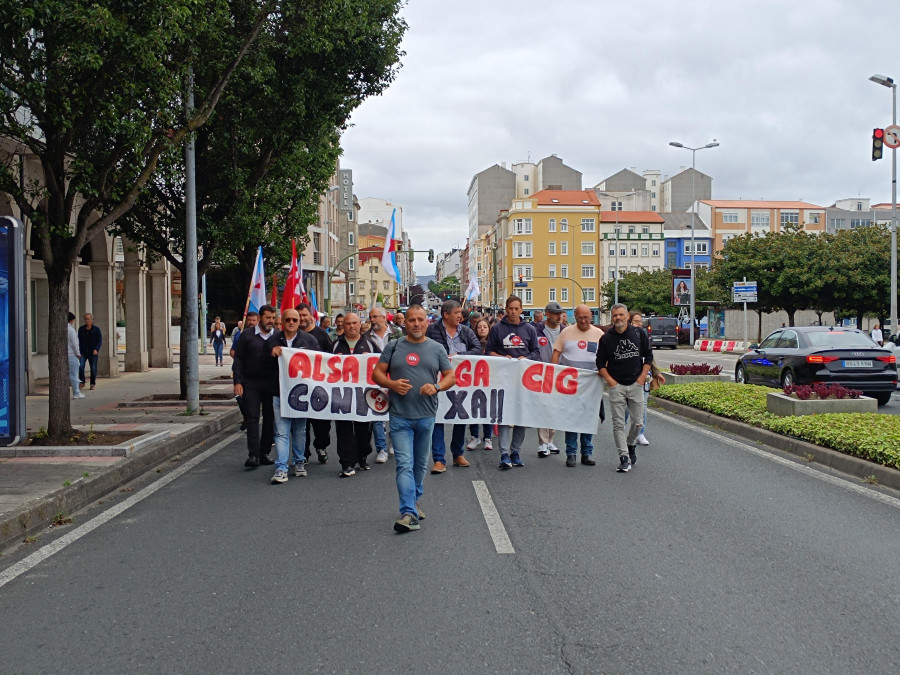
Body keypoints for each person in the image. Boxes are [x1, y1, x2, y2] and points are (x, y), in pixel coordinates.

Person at [373, 305, 455, 533]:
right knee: (404, 465)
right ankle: (408, 512)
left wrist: (436, 386)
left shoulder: (437, 349)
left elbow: (451, 377)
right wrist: (391, 384)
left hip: (426, 416)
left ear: (427, 322)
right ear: (405, 323)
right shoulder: (394, 346)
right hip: (399, 417)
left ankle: (415, 501)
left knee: (419, 465)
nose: (416, 324)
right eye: (412, 320)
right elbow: (377, 373)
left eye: (420, 319)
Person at [596, 303, 653, 473]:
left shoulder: (638, 333)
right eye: (615, 316)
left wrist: (642, 377)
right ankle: (623, 457)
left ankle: (630, 445)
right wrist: (610, 381)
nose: (618, 318)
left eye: (621, 315)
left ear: (627, 316)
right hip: (617, 385)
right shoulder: (606, 338)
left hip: (636, 384)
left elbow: (648, 356)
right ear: (612, 318)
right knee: (618, 424)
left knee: (637, 423)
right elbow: (599, 363)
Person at [427, 299, 483, 471]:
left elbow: (477, 349)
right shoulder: (431, 331)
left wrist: (459, 355)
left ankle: (458, 453)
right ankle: (438, 459)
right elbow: (424, 349)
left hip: (461, 383)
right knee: (438, 418)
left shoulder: (465, 331)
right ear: (446, 314)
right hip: (438, 382)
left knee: (460, 416)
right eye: (457, 312)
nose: (461, 315)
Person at [486, 295, 539, 469]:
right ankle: (504, 454)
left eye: (517, 309)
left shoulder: (530, 329)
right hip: (503, 380)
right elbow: (489, 352)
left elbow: (536, 353)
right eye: (511, 308)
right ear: (506, 309)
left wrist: (526, 357)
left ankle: (516, 451)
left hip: (523, 381)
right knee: (503, 416)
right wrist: (503, 358)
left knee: (521, 417)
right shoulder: (497, 329)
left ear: (521, 310)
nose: (514, 312)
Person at [267, 308, 319, 483]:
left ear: (299, 322)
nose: (291, 322)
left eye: (294, 320)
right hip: (279, 393)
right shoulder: (272, 340)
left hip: (302, 395)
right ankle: (281, 467)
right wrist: (271, 355)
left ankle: (299, 462)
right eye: (287, 319)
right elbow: (262, 364)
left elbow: (319, 364)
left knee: (299, 430)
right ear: (282, 322)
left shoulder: (309, 340)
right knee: (281, 432)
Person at [552, 304, 604, 466]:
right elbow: (556, 353)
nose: (583, 320)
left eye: (586, 317)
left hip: (592, 386)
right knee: (571, 419)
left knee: (588, 418)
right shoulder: (566, 332)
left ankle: (587, 453)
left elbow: (607, 356)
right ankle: (571, 453)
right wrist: (554, 374)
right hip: (570, 385)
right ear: (575, 316)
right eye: (580, 317)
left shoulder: (599, 334)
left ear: (591, 317)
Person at [332, 313, 380, 477]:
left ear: (360, 324)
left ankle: (362, 455)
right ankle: (347, 462)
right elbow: (322, 366)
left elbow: (382, 364)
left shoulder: (370, 345)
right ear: (342, 326)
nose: (351, 326)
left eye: (354, 323)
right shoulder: (335, 345)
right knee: (343, 429)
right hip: (342, 395)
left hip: (363, 396)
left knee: (364, 429)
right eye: (348, 324)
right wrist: (332, 361)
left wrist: (372, 360)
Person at [233, 304, 278, 468]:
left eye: (273, 318)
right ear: (260, 318)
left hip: (271, 383)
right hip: (250, 382)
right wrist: (237, 381)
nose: (271, 321)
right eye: (268, 318)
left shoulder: (278, 337)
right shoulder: (247, 336)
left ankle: (264, 452)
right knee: (251, 416)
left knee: (269, 418)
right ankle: (253, 454)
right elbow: (238, 359)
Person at [297, 303, 333, 464]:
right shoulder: (292, 335)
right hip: (298, 387)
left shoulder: (321, 335)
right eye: (299, 316)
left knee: (321, 423)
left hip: (319, 387)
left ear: (311, 316)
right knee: (301, 423)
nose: (302, 318)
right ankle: (303, 453)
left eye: (305, 315)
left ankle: (321, 446)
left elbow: (331, 359)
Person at [366, 307, 403, 463]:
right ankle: (381, 448)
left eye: (375, 317)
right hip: (375, 379)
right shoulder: (366, 337)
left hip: (394, 379)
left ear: (384, 317)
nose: (373, 320)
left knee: (394, 414)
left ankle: (393, 442)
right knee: (377, 415)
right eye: (370, 317)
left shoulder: (398, 333)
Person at [627, 311, 665, 447]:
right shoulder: (624, 335)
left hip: (644, 377)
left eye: (640, 321)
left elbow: (650, 356)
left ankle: (640, 433)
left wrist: (657, 372)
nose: (638, 324)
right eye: (635, 321)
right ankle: (624, 430)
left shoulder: (643, 336)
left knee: (642, 406)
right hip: (627, 377)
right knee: (626, 407)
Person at [535, 301, 566, 458]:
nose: (559, 316)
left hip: (560, 375)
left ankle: (551, 439)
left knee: (555, 409)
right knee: (543, 407)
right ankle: (542, 442)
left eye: (560, 313)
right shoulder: (537, 330)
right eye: (556, 313)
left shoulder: (565, 331)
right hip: (542, 373)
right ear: (547, 314)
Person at [466, 318, 494, 451]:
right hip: (473, 382)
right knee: (473, 409)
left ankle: (488, 438)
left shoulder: (493, 345)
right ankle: (474, 436)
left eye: (485, 327)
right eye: (479, 327)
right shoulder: (471, 345)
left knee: (487, 410)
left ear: (489, 329)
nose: (482, 329)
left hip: (489, 382)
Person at [77, 312, 102, 390]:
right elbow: (78, 340)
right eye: (85, 319)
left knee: (93, 368)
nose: (87, 321)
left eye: (88, 319)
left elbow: (99, 341)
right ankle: (82, 382)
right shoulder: (81, 329)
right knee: (81, 366)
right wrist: (78, 351)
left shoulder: (96, 330)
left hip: (92, 352)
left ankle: (92, 383)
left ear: (91, 320)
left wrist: (96, 349)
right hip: (83, 351)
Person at [67, 312, 85, 399]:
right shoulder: (71, 330)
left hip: (64, 354)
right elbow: (74, 343)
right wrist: (78, 353)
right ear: (72, 320)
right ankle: (76, 392)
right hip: (71, 354)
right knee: (74, 374)